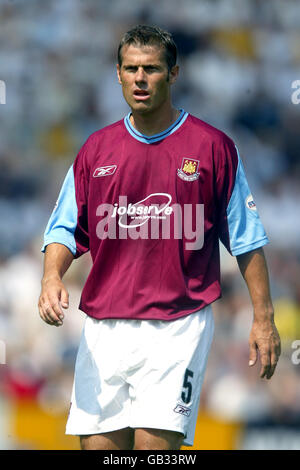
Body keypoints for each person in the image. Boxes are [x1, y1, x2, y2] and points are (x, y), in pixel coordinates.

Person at [38, 24, 281, 451]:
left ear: (173, 74)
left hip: (178, 324)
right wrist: (51, 277)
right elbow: (63, 227)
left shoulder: (212, 147)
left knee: (155, 450)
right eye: (131, 69)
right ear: (117, 73)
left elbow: (246, 238)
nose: (140, 78)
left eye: (151, 69)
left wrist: (263, 319)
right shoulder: (96, 150)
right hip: (104, 326)